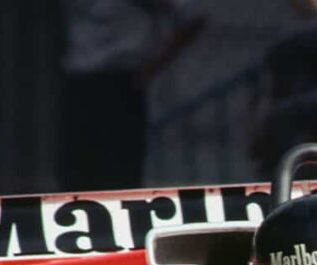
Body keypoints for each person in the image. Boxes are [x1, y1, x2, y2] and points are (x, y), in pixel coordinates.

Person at [57, 0, 206, 192]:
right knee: (75, 172)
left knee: (118, 176)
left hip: (118, 81)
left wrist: (152, 67)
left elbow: (193, 16)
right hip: (79, 81)